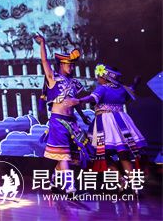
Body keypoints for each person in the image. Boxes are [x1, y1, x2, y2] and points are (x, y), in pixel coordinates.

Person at [35, 35, 93, 194]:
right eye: (69, 65)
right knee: (64, 155)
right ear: (61, 64)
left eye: (73, 65)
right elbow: (44, 61)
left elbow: (76, 102)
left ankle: (54, 181)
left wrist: (82, 116)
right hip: (58, 122)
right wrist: (43, 43)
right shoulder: (53, 78)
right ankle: (70, 187)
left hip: (72, 122)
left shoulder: (74, 83)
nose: (72, 68)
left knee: (70, 155)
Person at [72, 64, 147, 186]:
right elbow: (131, 90)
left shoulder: (102, 88)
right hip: (122, 122)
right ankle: (134, 184)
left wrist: (79, 100)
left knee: (101, 154)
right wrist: (135, 83)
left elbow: (92, 98)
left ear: (105, 77)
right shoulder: (122, 88)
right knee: (123, 154)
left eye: (99, 76)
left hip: (106, 122)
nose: (97, 78)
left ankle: (121, 180)